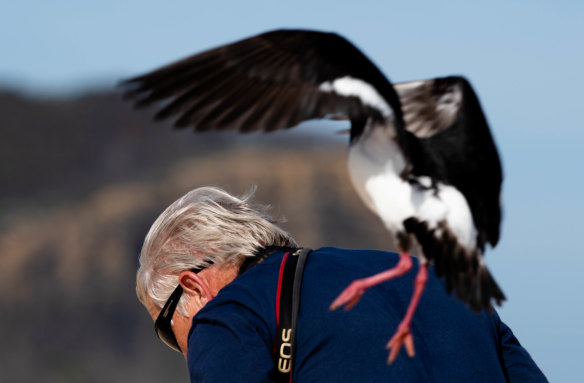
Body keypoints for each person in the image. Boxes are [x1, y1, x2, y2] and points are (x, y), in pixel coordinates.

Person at [136, 186, 547, 382]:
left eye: (169, 331)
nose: (183, 351)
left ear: (192, 286)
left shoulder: (225, 315)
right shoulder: (440, 282)